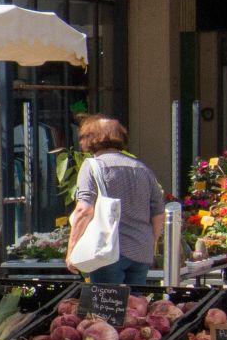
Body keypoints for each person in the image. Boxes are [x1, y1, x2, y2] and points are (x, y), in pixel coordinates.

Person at [67, 116, 165, 286]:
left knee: (108, 307)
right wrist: (150, 243)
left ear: (91, 138)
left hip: (108, 251)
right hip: (141, 252)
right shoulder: (142, 168)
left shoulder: (92, 166)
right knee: (136, 308)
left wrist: (71, 250)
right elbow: (158, 213)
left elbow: (84, 210)